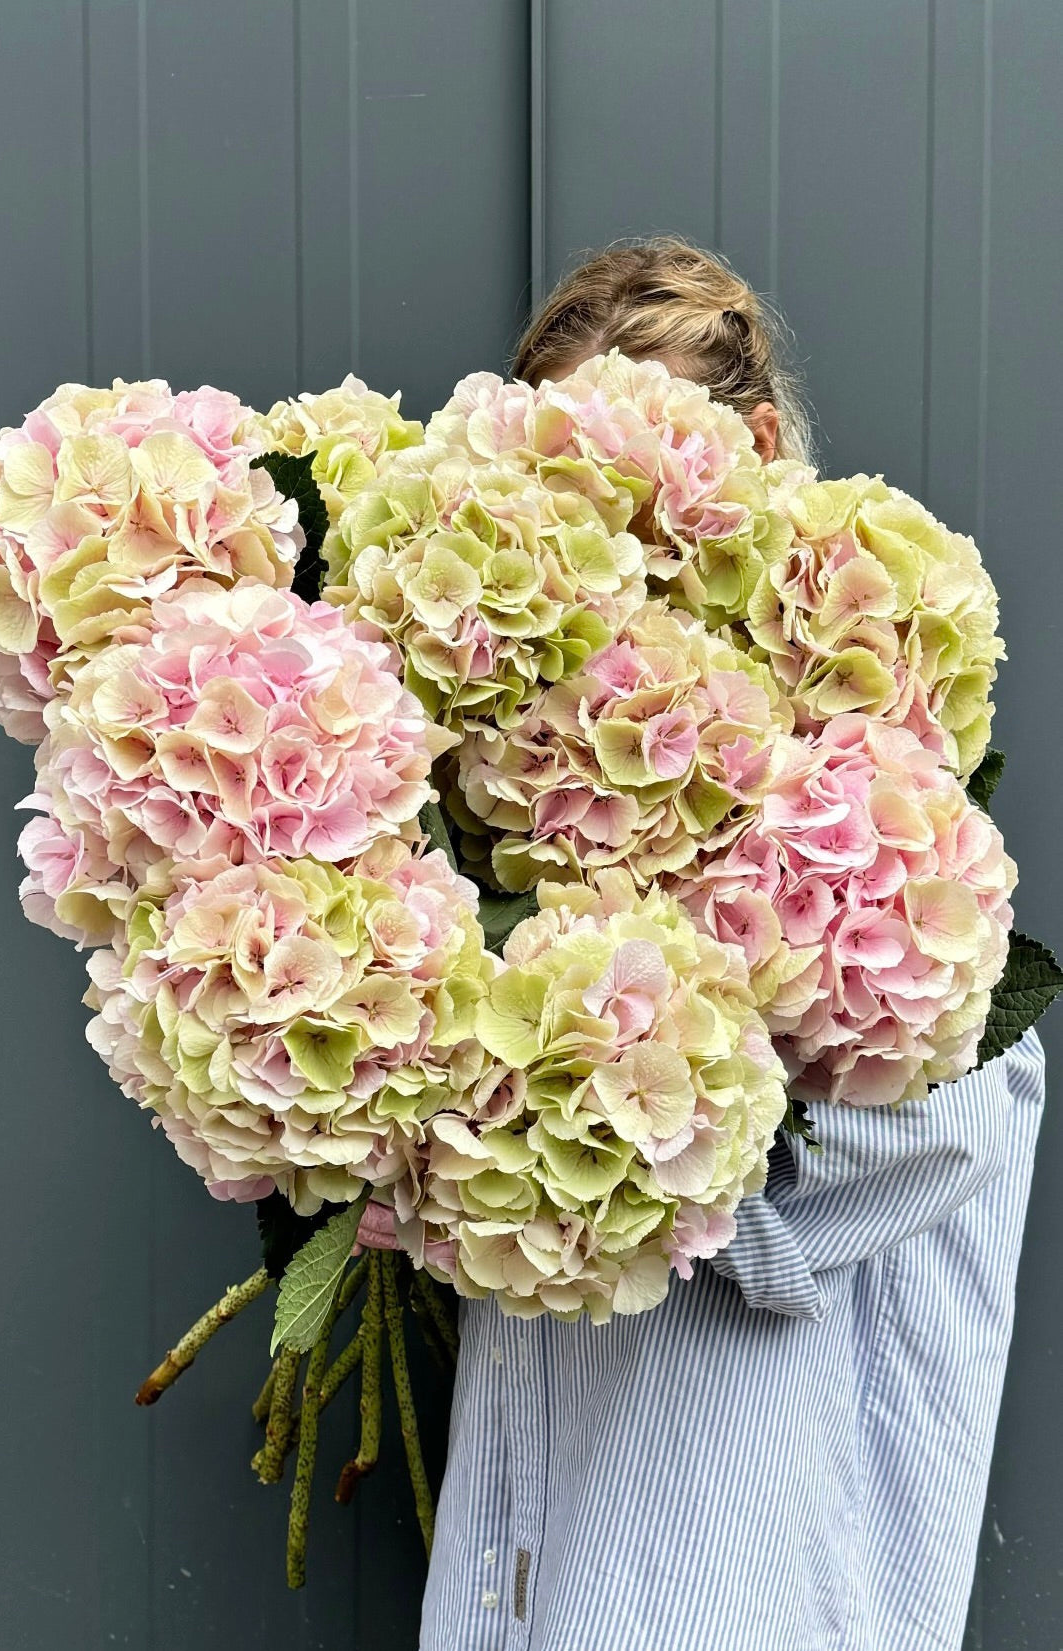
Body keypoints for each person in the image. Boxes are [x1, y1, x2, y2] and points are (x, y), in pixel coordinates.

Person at [411, 238, 1048, 1651]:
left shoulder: (876, 843)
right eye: (550, 491)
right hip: (518, 1590)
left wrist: (548, 1078)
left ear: (753, 447)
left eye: (627, 481)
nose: (593, 535)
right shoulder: (531, 815)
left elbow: (936, 1122)